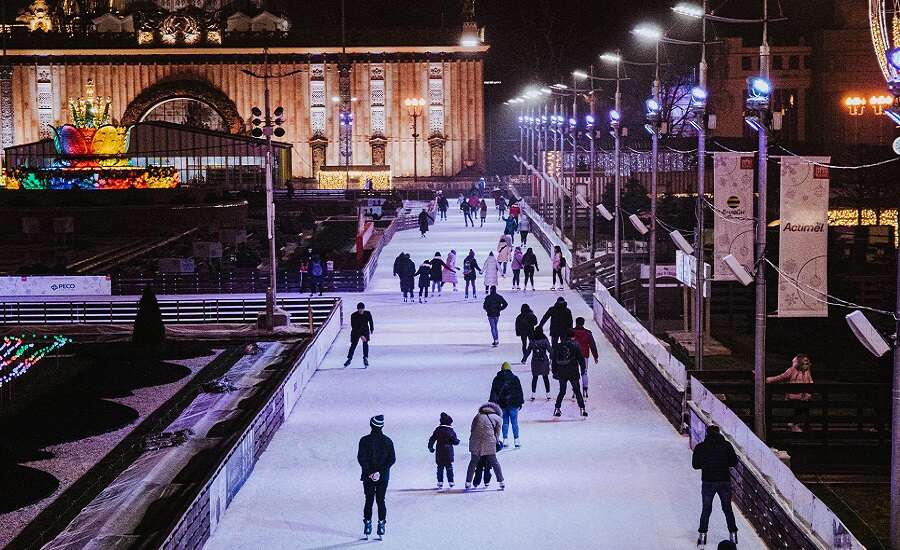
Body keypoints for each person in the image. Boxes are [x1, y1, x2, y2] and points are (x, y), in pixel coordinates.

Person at [692, 425, 739, 547]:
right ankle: (733, 535)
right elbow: (734, 462)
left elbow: (695, 465)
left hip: (708, 481)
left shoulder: (701, 447)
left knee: (706, 509)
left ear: (707, 434)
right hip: (724, 480)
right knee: (727, 508)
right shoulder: (727, 446)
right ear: (719, 433)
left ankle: (702, 536)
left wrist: (707, 464)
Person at [358, 415, 395, 540]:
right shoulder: (388, 441)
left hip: (368, 477)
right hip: (383, 477)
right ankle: (381, 525)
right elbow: (392, 459)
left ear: (371, 425)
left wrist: (370, 472)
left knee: (369, 500)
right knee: (381, 500)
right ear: (382, 426)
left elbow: (361, 458)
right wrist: (379, 472)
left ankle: (367, 525)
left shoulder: (364, 440)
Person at [766, 353, 814, 432]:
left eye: (807, 363)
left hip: (804, 396)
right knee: (801, 409)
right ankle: (795, 424)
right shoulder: (792, 370)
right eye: (805, 363)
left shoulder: (807, 372)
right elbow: (781, 377)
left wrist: (810, 391)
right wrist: (769, 379)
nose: (807, 365)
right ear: (800, 363)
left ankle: (798, 425)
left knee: (803, 410)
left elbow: (810, 381)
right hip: (794, 395)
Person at [464, 402, 505, 490]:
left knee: (473, 462)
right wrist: (497, 442)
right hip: (489, 441)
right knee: (494, 462)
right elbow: (497, 435)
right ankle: (501, 482)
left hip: (475, 441)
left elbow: (472, 429)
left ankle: (468, 482)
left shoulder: (477, 416)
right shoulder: (498, 418)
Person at [552, 330, 587, 417]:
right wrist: (583, 369)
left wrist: (554, 371)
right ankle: (582, 409)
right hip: (573, 372)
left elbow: (554, 360)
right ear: (573, 337)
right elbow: (581, 359)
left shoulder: (558, 346)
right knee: (577, 390)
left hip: (562, 372)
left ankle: (557, 408)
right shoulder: (575, 346)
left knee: (562, 391)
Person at [489, 362, 525, 448]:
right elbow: (519, 391)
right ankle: (516, 440)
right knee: (514, 422)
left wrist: (492, 404)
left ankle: (505, 440)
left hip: (502, 404)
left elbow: (493, 392)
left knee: (505, 422)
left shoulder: (497, 379)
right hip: (513, 404)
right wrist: (520, 402)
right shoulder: (515, 378)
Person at [427, 412, 459, 489]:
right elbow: (455, 441)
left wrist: (430, 447)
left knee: (440, 467)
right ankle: (451, 481)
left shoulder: (438, 430)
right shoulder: (451, 431)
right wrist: (457, 441)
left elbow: (432, 439)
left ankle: (440, 482)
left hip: (439, 452)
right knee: (449, 467)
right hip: (448, 452)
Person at [522, 327, 552, 401]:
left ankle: (533, 394)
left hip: (535, 361)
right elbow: (549, 349)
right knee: (545, 378)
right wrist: (554, 356)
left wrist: (524, 358)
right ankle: (548, 393)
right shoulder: (545, 340)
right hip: (544, 361)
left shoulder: (532, 341)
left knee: (535, 378)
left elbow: (528, 350)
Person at [572, 317, 599, 399]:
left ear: (576, 323)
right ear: (583, 323)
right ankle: (585, 388)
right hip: (584, 355)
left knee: (574, 373)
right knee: (584, 372)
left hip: (574, 355)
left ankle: (575, 390)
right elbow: (592, 345)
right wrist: (595, 356)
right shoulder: (588, 333)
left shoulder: (571, 332)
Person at [345, 302, 374, 367]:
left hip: (365, 330)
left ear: (364, 309)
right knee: (353, 344)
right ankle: (349, 358)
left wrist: (372, 328)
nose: (361, 311)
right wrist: (360, 335)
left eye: (362, 309)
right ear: (357, 309)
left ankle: (365, 358)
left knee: (365, 343)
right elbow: (354, 327)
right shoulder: (353, 316)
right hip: (356, 331)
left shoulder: (368, 313)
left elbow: (371, 321)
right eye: (359, 309)